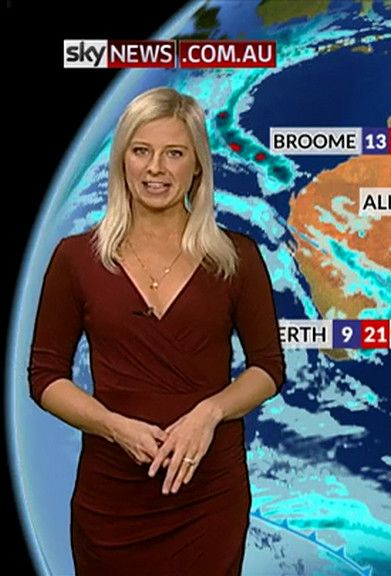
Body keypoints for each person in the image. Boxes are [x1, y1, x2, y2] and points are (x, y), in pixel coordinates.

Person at [28, 87, 285, 575]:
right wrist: (112, 426)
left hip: (208, 497)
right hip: (112, 500)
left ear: (197, 166)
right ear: (122, 161)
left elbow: (268, 368)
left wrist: (209, 413)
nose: (155, 169)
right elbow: (45, 377)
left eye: (174, 153)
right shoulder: (75, 258)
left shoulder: (237, 258)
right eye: (141, 151)